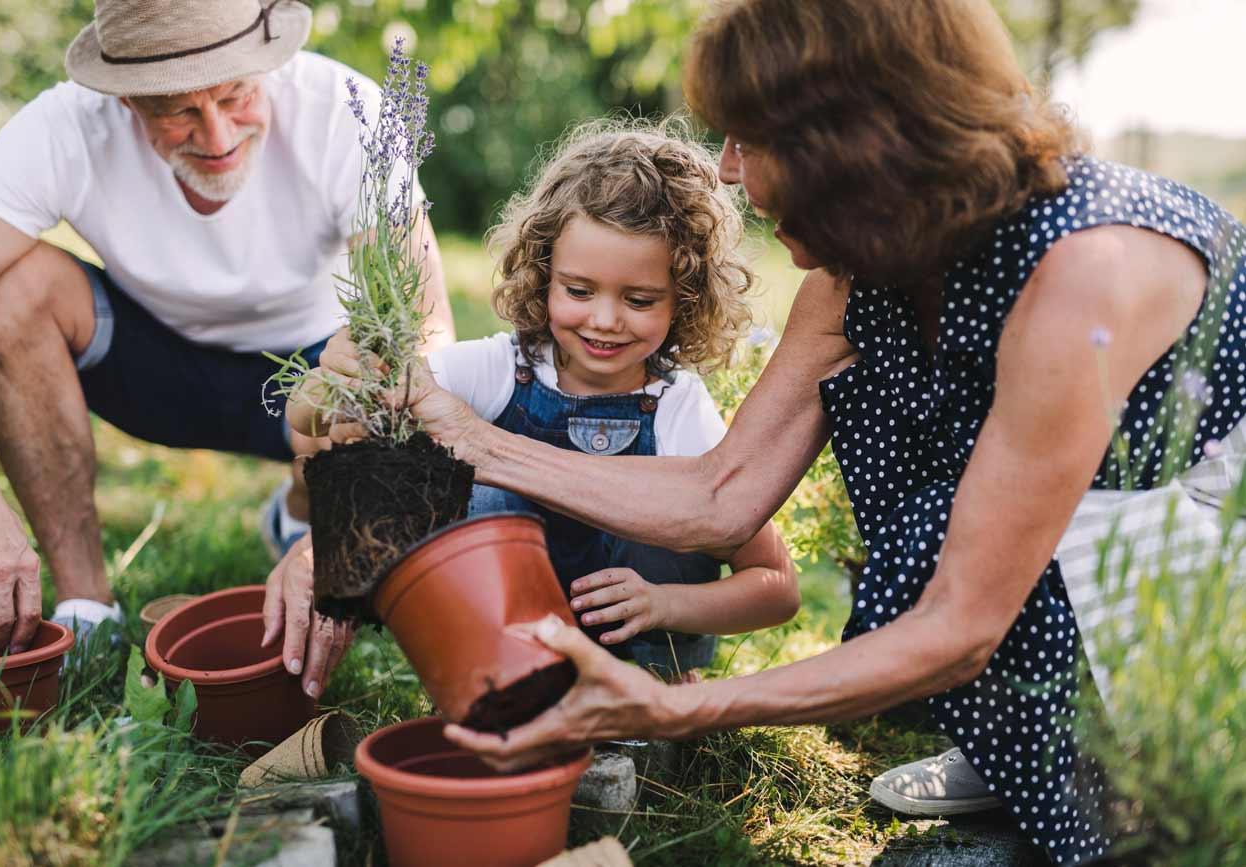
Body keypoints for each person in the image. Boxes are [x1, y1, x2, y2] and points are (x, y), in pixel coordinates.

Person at [310, 1, 1246, 863]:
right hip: (1057, 530)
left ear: (854, 146)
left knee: (1145, 826)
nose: (722, 169)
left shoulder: (1080, 276)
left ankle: (1124, 769)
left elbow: (960, 623)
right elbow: (723, 496)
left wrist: (679, 706)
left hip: (1196, 565)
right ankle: (1024, 758)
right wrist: (456, 435)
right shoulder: (856, 274)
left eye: (748, 140)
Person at [0, 0, 454, 679]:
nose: (215, 136)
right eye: (176, 111)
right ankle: (86, 607)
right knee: (8, 292)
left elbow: (425, 340)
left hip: (310, 381)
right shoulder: (64, 126)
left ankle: (302, 510)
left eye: (236, 94)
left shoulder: (344, 112)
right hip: (152, 369)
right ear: (124, 96)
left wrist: (333, 544)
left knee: (374, 363)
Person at [279, 122, 801, 682]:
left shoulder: (679, 409)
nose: (604, 320)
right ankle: (493, 680)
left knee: (677, 507)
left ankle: (659, 690)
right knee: (477, 491)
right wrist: (330, 380)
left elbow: (777, 589)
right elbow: (315, 418)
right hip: (506, 658)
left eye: (640, 298)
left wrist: (666, 604)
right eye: (579, 291)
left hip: (637, 667)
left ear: (686, 299)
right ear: (543, 274)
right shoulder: (499, 369)